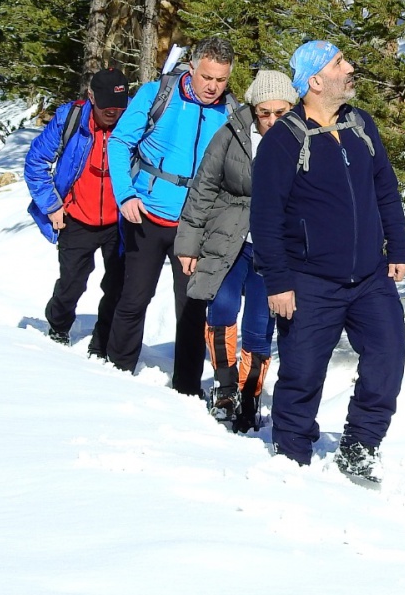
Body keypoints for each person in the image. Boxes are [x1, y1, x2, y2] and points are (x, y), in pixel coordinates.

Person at [251, 41, 405, 487]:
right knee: (302, 373)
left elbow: (386, 190)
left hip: (369, 277)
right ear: (315, 80)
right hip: (308, 281)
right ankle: (292, 453)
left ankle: (361, 446)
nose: (351, 68)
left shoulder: (361, 125)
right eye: (340, 63)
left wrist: (397, 248)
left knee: (388, 355)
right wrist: (278, 281)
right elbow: (264, 217)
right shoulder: (283, 140)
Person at [106, 38, 236, 393]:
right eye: (207, 76)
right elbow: (119, 143)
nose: (212, 86)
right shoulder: (156, 95)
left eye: (221, 80)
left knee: (191, 310)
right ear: (192, 68)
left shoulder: (230, 112)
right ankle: (116, 372)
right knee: (134, 297)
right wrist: (125, 195)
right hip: (146, 213)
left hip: (195, 226)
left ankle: (187, 388)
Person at [176, 69, 297, 432]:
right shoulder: (231, 134)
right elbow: (203, 188)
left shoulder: (303, 140)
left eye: (280, 112)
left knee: (260, 325)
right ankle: (225, 388)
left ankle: (250, 393)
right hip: (228, 241)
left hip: (274, 250)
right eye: (264, 112)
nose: (272, 120)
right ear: (253, 109)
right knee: (222, 308)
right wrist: (188, 244)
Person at [24, 68, 131, 353]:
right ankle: (58, 326)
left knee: (117, 286)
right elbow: (36, 162)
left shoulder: (133, 121)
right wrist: (52, 205)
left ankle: (102, 340)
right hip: (76, 218)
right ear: (91, 96)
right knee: (72, 283)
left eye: (119, 106)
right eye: (106, 105)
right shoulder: (70, 118)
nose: (113, 112)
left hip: (119, 222)